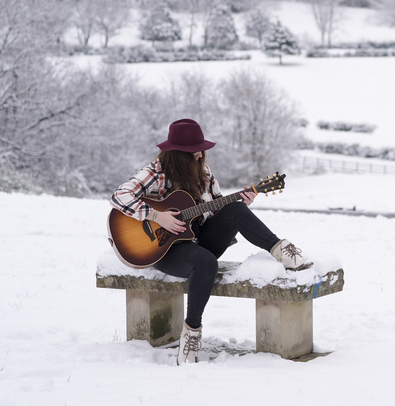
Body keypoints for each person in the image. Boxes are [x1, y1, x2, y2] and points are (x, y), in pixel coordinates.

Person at [110, 118, 311, 366]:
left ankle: (283, 250)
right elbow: (119, 196)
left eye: (200, 149)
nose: (199, 155)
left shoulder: (204, 173)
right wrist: (157, 216)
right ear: (176, 153)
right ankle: (191, 336)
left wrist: (242, 203)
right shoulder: (155, 171)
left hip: (196, 238)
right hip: (163, 250)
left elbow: (216, 211)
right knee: (205, 263)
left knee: (234, 208)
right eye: (193, 151)